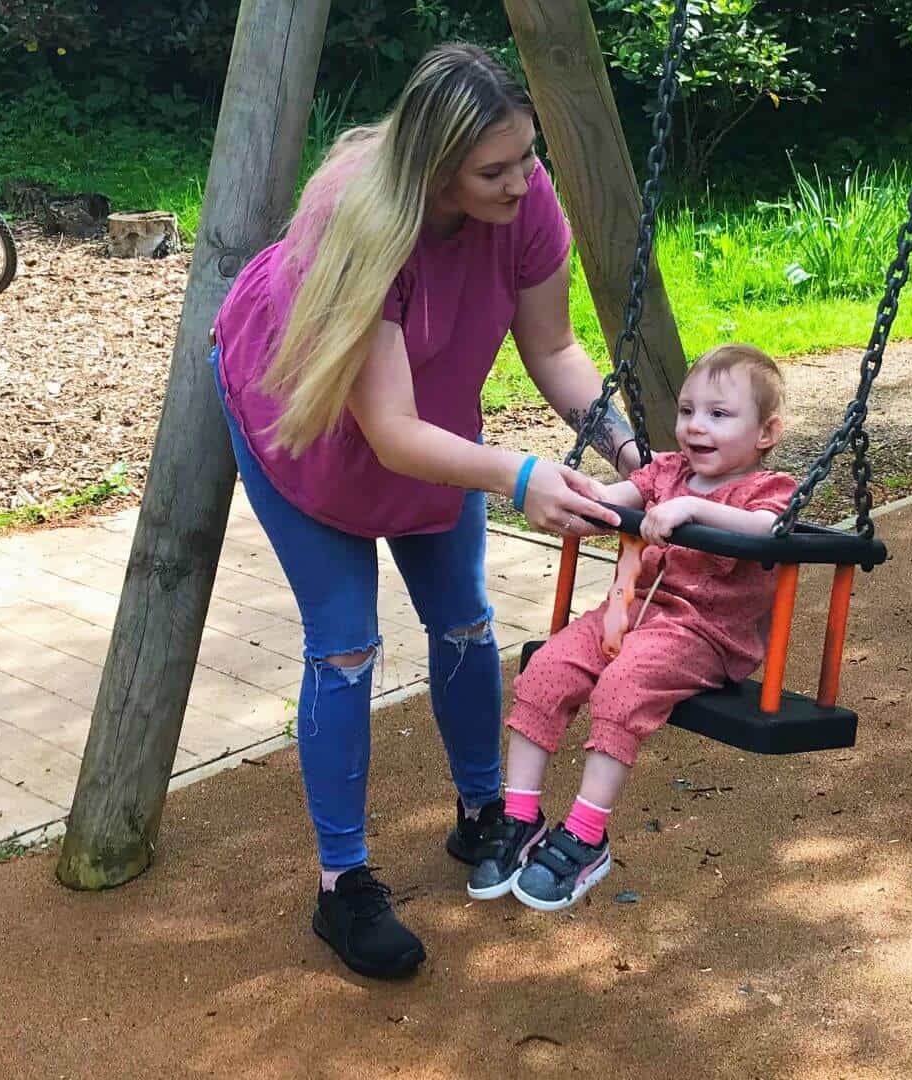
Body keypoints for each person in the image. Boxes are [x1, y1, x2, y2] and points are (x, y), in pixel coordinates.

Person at [209, 43, 642, 978]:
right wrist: (521, 477)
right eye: (495, 169)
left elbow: (555, 346)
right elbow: (391, 434)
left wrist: (628, 453)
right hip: (307, 415)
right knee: (346, 641)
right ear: (434, 169)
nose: (523, 182)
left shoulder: (524, 201)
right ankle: (344, 885)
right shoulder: (364, 229)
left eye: (529, 158)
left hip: (425, 413)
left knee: (464, 621)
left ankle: (483, 812)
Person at [465, 344, 797, 911]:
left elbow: (763, 532)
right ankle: (520, 818)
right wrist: (579, 495)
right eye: (688, 410)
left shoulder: (770, 490)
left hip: (702, 634)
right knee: (546, 670)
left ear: (766, 432)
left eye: (719, 415)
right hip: (627, 614)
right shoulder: (668, 472)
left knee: (620, 689)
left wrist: (692, 511)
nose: (696, 426)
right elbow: (616, 501)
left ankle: (585, 837)